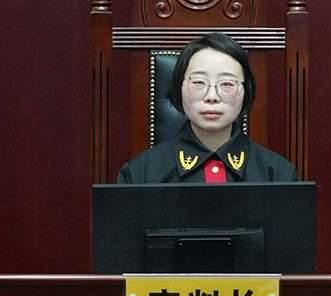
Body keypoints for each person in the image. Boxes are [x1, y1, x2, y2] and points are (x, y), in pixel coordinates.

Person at [116, 32, 298, 183]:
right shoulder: (139, 175)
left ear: (246, 91)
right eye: (199, 82)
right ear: (179, 88)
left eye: (226, 84)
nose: (212, 97)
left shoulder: (278, 175)